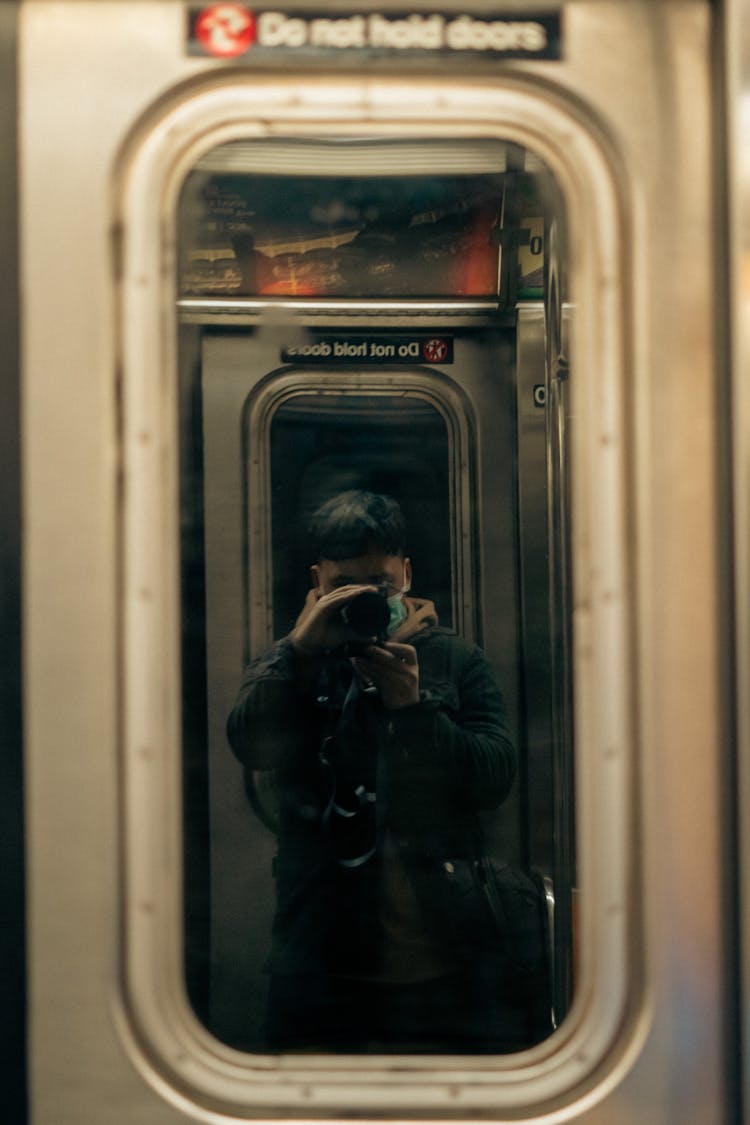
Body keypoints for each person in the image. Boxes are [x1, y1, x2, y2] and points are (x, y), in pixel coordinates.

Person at [226, 490, 522, 1053]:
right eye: (344, 588)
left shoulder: (455, 660)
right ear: (317, 583)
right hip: (317, 962)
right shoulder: (291, 661)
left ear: (407, 574)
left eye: (381, 586)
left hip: (442, 961)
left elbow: (495, 777)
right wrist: (299, 656)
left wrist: (413, 707)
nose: (366, 603)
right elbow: (251, 745)